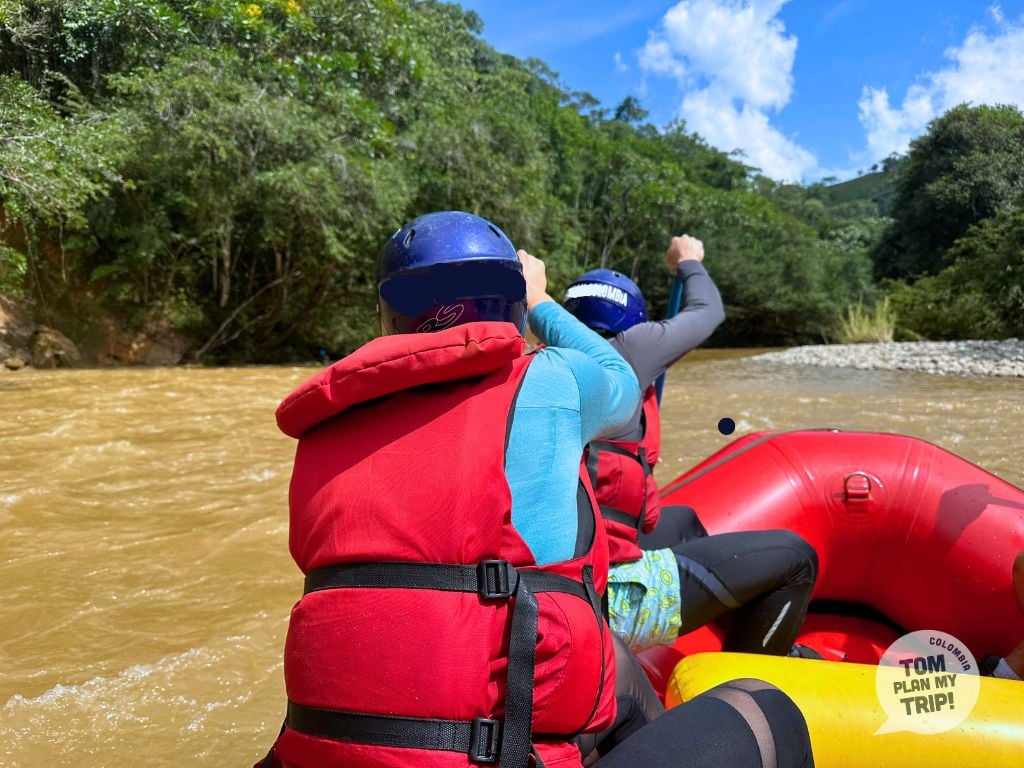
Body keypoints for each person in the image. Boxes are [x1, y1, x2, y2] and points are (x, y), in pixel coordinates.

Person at [257, 212, 814, 768]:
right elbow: (619, 375)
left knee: (611, 665)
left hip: (323, 753)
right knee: (767, 708)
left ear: (387, 315)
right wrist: (542, 299)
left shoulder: (323, 430)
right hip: (493, 751)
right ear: (514, 304)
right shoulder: (554, 379)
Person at [564, 235, 820, 657]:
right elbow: (707, 310)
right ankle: (756, 669)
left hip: (568, 570)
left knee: (681, 521)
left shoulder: (547, 358)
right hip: (601, 599)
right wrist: (688, 261)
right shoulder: (629, 350)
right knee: (797, 558)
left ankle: (723, 609)